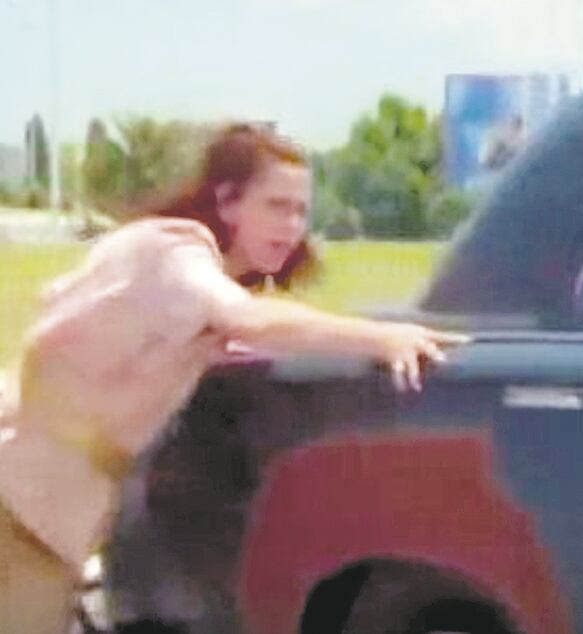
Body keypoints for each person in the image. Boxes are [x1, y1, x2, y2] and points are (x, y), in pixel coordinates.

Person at [0, 123, 469, 633]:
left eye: (301, 211)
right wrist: (383, 338)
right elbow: (249, 319)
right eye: (276, 206)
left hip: (40, 510)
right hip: (22, 508)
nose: (292, 226)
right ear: (226, 201)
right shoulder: (175, 255)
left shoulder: (179, 281)